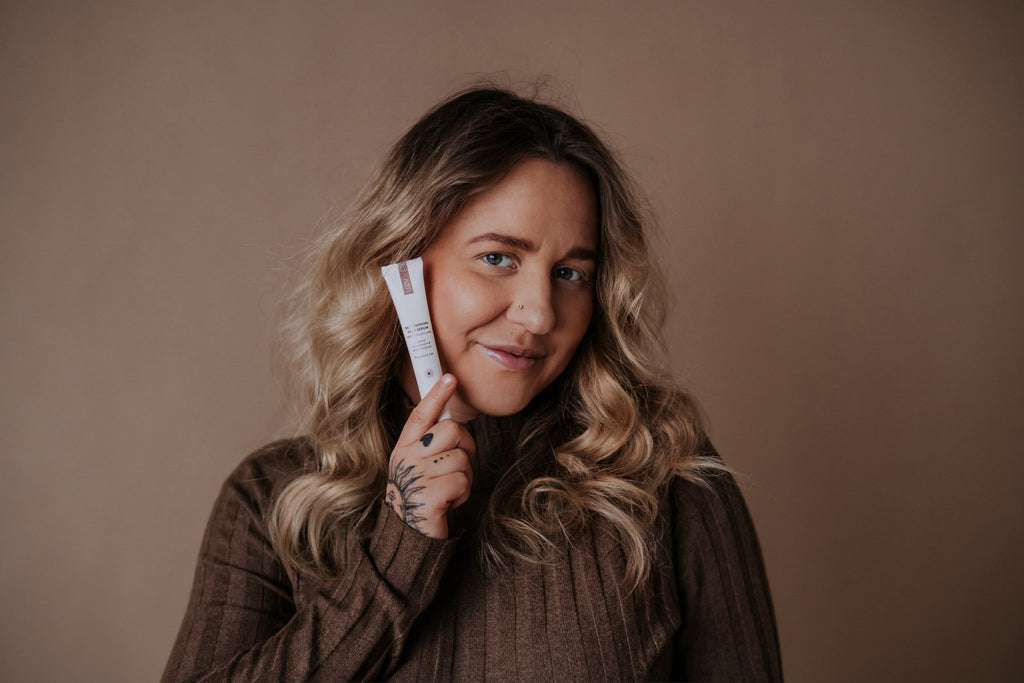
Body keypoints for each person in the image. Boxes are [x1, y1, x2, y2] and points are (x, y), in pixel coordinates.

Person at [163, 85, 783, 682]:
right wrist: (398, 557)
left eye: (570, 273)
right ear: (402, 261)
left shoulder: (663, 472)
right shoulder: (271, 497)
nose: (540, 314)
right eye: (498, 258)